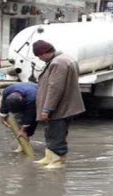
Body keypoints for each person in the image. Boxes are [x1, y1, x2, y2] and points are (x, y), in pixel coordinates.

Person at [33, 40, 85, 169]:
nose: (39, 59)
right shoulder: (65, 58)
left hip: (60, 107)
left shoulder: (58, 62)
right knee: (50, 131)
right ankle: (49, 157)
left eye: (39, 56)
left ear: (45, 53)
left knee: (57, 132)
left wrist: (47, 108)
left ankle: (57, 160)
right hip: (64, 105)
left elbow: (55, 88)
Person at [0, 83, 38, 152]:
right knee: (19, 119)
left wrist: (23, 130)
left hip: (35, 92)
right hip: (24, 90)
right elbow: (4, 104)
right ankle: (22, 144)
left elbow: (30, 115)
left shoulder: (32, 98)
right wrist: (3, 116)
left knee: (31, 121)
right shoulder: (6, 91)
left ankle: (25, 142)